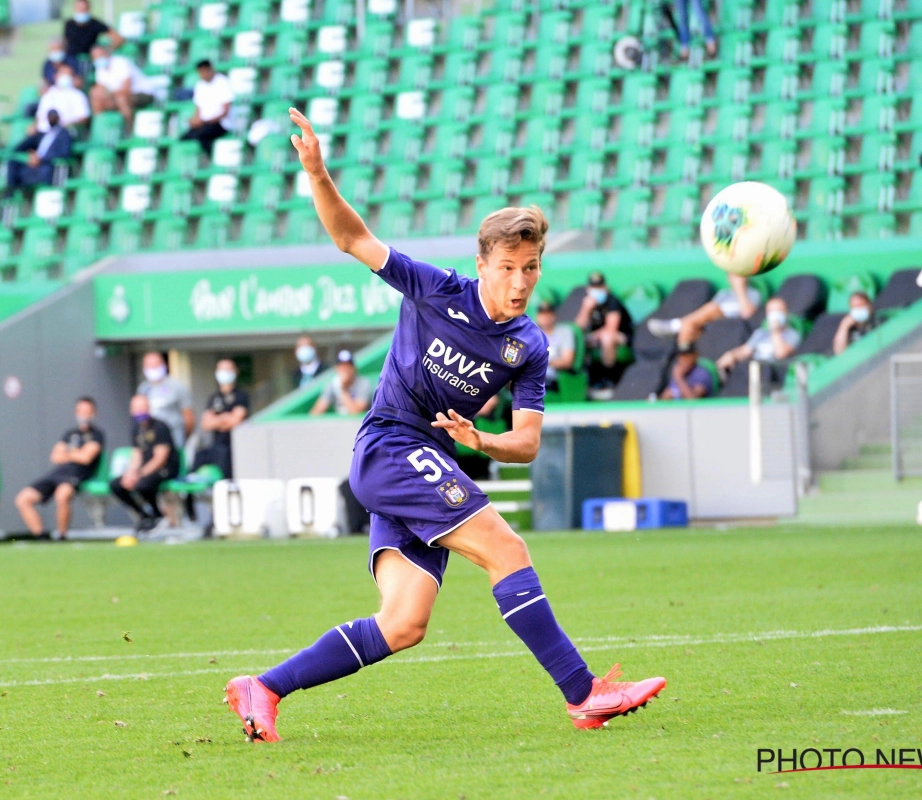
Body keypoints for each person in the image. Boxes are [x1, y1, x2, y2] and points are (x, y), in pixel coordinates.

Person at [223, 108, 665, 743]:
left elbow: (528, 443)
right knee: (507, 549)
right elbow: (353, 240)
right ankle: (584, 692)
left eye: (531, 267)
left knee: (403, 623)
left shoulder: (528, 346)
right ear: (482, 263)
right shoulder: (434, 290)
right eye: (508, 267)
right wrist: (318, 175)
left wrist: (483, 441)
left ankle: (262, 687)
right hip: (389, 447)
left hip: (432, 461)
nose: (519, 283)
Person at [15, 397, 105, 539]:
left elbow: (86, 458)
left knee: (62, 495)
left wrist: (69, 452)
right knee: (23, 499)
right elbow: (55, 457)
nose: (84, 415)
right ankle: (41, 536)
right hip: (57, 474)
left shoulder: (96, 435)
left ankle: (62, 536)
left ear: (94, 413)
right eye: (81, 411)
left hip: (77, 475)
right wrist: (76, 452)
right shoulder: (70, 434)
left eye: (88, 411)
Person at [110, 394, 180, 533]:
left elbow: (160, 459)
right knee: (117, 485)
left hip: (165, 469)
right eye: (136, 409)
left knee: (143, 485)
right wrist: (130, 473)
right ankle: (144, 515)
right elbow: (137, 455)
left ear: (149, 409)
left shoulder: (160, 427)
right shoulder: (136, 429)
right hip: (144, 470)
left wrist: (139, 474)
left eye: (142, 408)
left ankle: (157, 515)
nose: (140, 412)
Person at [646, 273, 760, 346]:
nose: (734, 278)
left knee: (706, 312)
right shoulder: (724, 293)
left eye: (738, 276)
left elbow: (747, 314)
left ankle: (676, 325)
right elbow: (707, 316)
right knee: (688, 328)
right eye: (732, 276)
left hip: (733, 329)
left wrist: (740, 288)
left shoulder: (753, 294)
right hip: (710, 329)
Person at [573, 271, 633, 396]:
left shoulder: (612, 302)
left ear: (606, 287)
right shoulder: (588, 303)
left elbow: (611, 328)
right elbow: (578, 328)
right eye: (594, 287)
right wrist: (586, 309)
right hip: (597, 336)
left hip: (621, 335)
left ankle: (608, 378)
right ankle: (587, 381)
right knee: (579, 341)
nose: (597, 291)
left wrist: (593, 336)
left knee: (607, 338)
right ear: (588, 289)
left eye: (599, 287)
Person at [190, 359, 249, 481]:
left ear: (235, 372)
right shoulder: (214, 398)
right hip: (216, 444)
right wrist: (225, 417)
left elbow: (235, 421)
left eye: (228, 370)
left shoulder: (241, 395)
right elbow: (206, 424)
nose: (224, 373)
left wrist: (217, 419)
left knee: (224, 458)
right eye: (221, 370)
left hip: (233, 446)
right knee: (199, 455)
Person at [716, 297, 801, 378]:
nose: (775, 314)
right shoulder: (761, 333)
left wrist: (775, 330)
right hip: (753, 370)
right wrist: (732, 355)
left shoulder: (793, 334)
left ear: (786, 312)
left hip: (771, 373)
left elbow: (781, 354)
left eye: (778, 310)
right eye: (771, 311)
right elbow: (745, 351)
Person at [89, 44, 159, 131]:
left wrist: (108, 95)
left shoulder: (121, 63)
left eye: (100, 55)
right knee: (97, 99)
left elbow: (126, 89)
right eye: (95, 57)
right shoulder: (100, 70)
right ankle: (100, 131)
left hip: (143, 93)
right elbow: (100, 90)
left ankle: (130, 128)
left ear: (107, 53)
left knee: (121, 98)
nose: (98, 58)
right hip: (118, 96)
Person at [136, 351, 194, 450]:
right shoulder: (143, 388)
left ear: (164, 365)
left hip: (174, 439)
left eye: (156, 365)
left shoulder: (176, 386)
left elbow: (188, 415)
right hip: (151, 440)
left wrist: (184, 436)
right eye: (150, 366)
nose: (153, 369)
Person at [6, 110, 74, 193]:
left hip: (48, 166)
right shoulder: (43, 134)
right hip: (34, 165)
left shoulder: (64, 134)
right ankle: (9, 195)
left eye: (53, 116)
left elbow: (64, 153)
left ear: (58, 118)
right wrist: (30, 135)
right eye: (49, 116)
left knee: (40, 172)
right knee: (13, 163)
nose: (51, 118)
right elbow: (19, 148)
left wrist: (41, 159)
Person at [181, 59, 234, 156]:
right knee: (184, 138)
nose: (202, 74)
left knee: (202, 136)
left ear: (210, 69)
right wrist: (194, 121)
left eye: (204, 71)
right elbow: (198, 109)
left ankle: (215, 159)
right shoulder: (200, 85)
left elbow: (225, 112)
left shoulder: (223, 82)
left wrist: (205, 121)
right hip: (205, 124)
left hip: (221, 124)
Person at [310, 350, 373, 415]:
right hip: (340, 424)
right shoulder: (332, 384)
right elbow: (316, 412)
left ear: (354, 368)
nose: (345, 369)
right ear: (336, 368)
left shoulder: (363, 383)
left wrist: (342, 389)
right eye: (342, 366)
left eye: (348, 366)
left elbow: (356, 413)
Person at [35, 64, 91, 133]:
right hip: (43, 131)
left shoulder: (78, 95)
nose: (64, 76)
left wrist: (67, 125)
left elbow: (84, 118)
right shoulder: (48, 94)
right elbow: (40, 115)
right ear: (55, 76)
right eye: (62, 73)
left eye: (67, 74)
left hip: (64, 132)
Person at [534, 299, 576, 392]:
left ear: (554, 315)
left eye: (548, 314)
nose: (545, 318)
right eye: (542, 314)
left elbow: (567, 361)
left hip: (552, 375)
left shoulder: (564, 331)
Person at [832, 291, 876, 355]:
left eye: (861, 306)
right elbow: (839, 352)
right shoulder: (850, 329)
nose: (859, 310)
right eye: (855, 308)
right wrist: (844, 326)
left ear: (869, 306)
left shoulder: (878, 321)